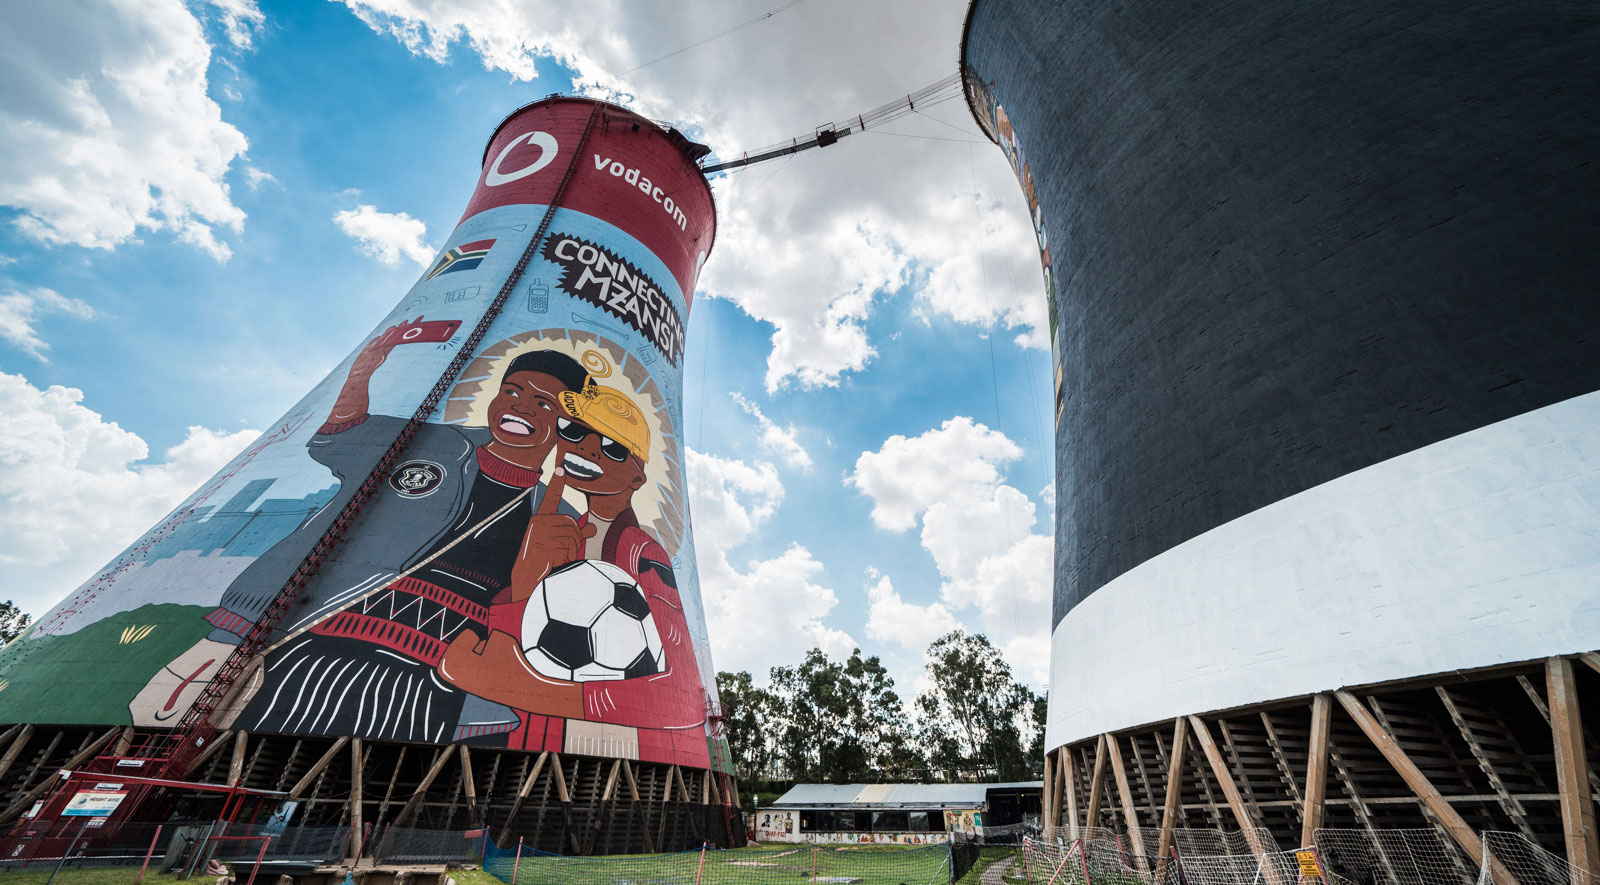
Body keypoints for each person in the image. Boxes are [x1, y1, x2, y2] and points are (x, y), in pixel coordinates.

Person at [131, 322, 593, 743]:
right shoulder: (434, 444)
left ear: (569, 426)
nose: (519, 407)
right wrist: (361, 376)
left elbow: (541, 615)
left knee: (389, 765)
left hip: (435, 677)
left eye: (543, 404)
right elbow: (339, 437)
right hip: (318, 637)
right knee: (265, 725)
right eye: (511, 391)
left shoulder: (562, 517)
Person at [442, 369, 711, 766]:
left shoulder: (644, 555)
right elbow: (515, 650)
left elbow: (681, 698)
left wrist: (534, 691)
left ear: (638, 476)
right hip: (531, 745)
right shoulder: (560, 535)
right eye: (573, 431)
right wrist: (523, 582)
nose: (587, 449)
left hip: (615, 759)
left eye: (613, 447)